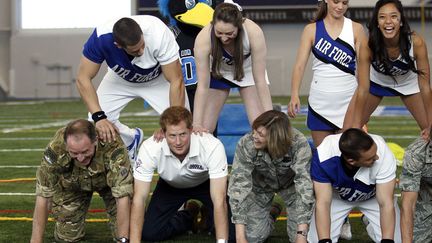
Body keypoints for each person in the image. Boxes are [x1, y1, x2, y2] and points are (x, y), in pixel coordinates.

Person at [76, 15, 188, 162]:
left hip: (158, 80)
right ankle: (130, 140)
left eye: (143, 45)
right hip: (121, 79)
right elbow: (82, 78)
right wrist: (99, 117)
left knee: (182, 125)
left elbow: (176, 80)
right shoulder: (101, 37)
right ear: (118, 45)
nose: (141, 51)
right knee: (95, 122)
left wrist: (171, 123)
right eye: (135, 50)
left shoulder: (158, 32)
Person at [129, 106, 229, 242]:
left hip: (206, 183)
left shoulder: (212, 145)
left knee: (231, 235)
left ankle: (208, 216)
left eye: (182, 134)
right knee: (149, 234)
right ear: (163, 133)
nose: (178, 142)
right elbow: (139, 198)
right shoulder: (150, 147)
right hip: (170, 186)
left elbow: (219, 199)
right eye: (172, 135)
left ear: (191, 130)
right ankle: (188, 215)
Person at [30, 119, 133, 243]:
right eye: (74, 153)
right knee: (66, 238)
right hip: (73, 185)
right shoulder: (56, 147)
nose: (80, 158)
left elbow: (122, 197)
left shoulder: (112, 143)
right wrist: (35, 240)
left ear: (95, 141)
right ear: (66, 145)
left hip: (109, 185)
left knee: (128, 233)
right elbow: (43, 197)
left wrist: (123, 240)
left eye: (85, 151)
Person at [288, 0, 366, 147]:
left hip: (348, 102)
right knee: (323, 156)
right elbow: (299, 66)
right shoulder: (311, 30)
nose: (340, 7)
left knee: (348, 155)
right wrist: (294, 94)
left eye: (344, 2)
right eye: (336, 1)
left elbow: (363, 71)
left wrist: (362, 106)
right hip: (320, 103)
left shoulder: (357, 29)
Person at [228, 110, 314, 243]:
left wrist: (301, 235)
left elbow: (305, 186)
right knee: (252, 238)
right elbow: (238, 187)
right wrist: (240, 238)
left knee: (304, 238)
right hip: (260, 187)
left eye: (260, 134)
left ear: (275, 137)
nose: (254, 136)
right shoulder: (246, 143)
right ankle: (272, 213)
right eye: (255, 131)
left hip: (292, 188)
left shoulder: (299, 144)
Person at [353, 0, 432, 139]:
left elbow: (425, 87)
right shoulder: (368, 44)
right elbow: (363, 88)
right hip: (376, 82)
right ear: (377, 23)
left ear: (401, 21)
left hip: (408, 83)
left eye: (394, 16)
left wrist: (431, 123)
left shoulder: (416, 42)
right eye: (382, 17)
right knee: (350, 130)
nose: (388, 21)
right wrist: (356, 124)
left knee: (431, 130)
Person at [192, 2, 273, 134]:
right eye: (219, 32)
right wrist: (196, 123)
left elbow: (260, 80)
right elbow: (202, 86)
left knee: (261, 127)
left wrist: (270, 116)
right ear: (213, 25)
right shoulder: (203, 38)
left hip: (247, 71)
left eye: (229, 33)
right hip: (219, 71)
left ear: (239, 26)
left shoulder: (254, 32)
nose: (224, 38)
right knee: (204, 129)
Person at [308, 128, 401, 243]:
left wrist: (387, 240)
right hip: (338, 197)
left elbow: (386, 203)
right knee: (317, 240)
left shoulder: (383, 152)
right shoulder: (324, 155)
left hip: (374, 197)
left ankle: (370, 222)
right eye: (370, 158)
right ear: (351, 161)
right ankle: (341, 223)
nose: (376, 157)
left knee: (396, 240)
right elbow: (323, 203)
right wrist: (324, 240)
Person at [399, 131, 432, 243]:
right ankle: (371, 223)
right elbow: (408, 204)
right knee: (408, 239)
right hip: (427, 199)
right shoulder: (415, 153)